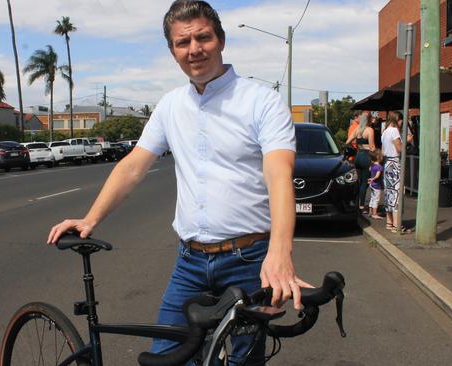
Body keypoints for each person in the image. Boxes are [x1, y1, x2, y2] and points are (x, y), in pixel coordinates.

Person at [47, 1, 311, 363]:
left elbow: (279, 174)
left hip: (249, 259)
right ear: (172, 51)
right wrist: (90, 219)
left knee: (244, 361)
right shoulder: (170, 106)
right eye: (182, 43)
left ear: (220, 39)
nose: (194, 49)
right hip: (190, 262)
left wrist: (280, 253)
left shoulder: (261, 101)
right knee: (166, 357)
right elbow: (134, 165)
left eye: (202, 37)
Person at [381, 111, 410, 234]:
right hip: (395, 164)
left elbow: (383, 151)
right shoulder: (394, 131)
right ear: (398, 119)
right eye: (401, 120)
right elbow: (399, 148)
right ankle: (397, 225)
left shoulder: (385, 132)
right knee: (397, 193)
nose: (402, 123)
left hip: (387, 164)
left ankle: (389, 222)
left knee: (389, 193)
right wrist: (407, 141)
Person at [345, 111, 376, 213]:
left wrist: (358, 146)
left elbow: (347, 142)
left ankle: (355, 202)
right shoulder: (370, 130)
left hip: (358, 157)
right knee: (364, 183)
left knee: (358, 182)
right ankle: (361, 206)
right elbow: (372, 147)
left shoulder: (357, 129)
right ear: (369, 119)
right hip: (366, 157)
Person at [367, 149, 384, 219]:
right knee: (376, 199)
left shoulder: (372, 165)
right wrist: (373, 179)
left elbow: (370, 170)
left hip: (372, 184)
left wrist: (371, 179)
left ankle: (370, 212)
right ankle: (374, 214)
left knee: (372, 198)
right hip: (377, 185)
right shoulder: (380, 167)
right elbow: (377, 176)